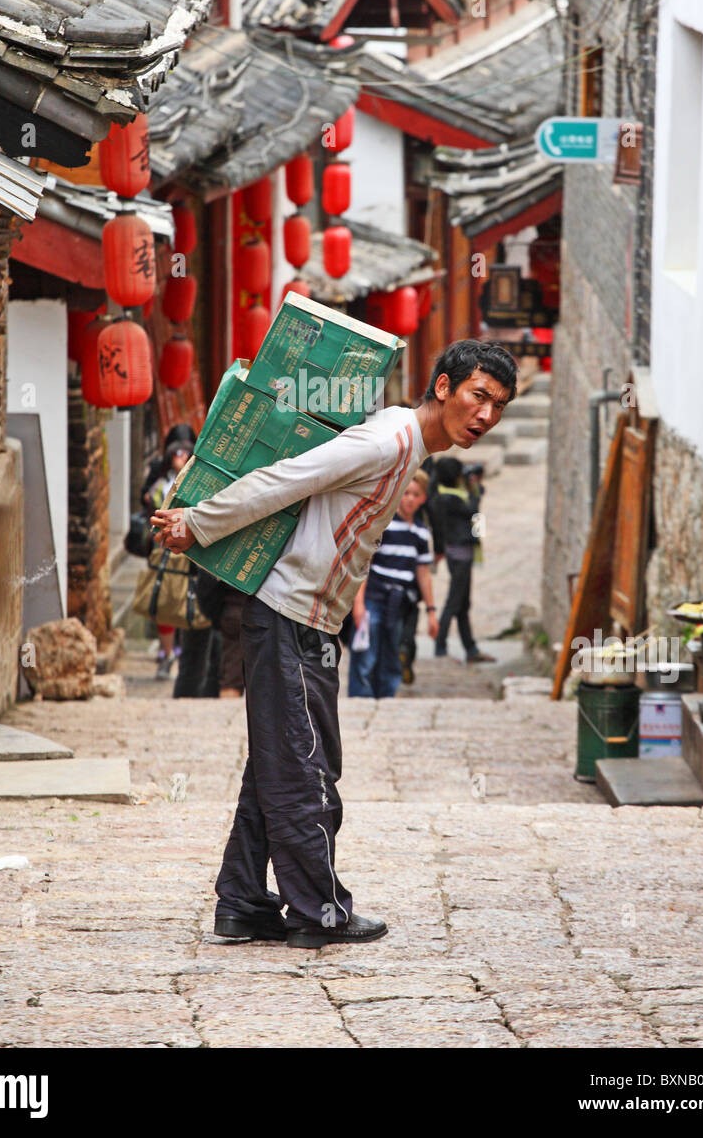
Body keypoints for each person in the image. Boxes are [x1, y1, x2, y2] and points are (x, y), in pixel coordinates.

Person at [152, 338, 516, 948]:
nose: (485, 415)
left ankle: (241, 902)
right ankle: (318, 911)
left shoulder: (410, 447)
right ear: (445, 387)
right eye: (479, 396)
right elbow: (288, 478)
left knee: (281, 760)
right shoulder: (387, 441)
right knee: (303, 767)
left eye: (499, 406)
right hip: (288, 613)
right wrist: (199, 523)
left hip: (314, 620)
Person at [349, 470, 437, 699]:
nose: (409, 498)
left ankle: (386, 697)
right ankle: (361, 698)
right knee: (366, 652)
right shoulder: (384, 526)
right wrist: (359, 604)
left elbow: (423, 573)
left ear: (422, 499)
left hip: (399, 604)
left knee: (392, 652)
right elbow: (365, 564)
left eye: (415, 494)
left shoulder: (421, 532)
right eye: (406, 493)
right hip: (374, 598)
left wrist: (431, 611)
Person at [429, 456, 494, 664]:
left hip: (459, 553)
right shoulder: (449, 498)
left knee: (463, 604)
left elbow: (476, 520)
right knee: (454, 602)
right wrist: (475, 489)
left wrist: (474, 489)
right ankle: (440, 646)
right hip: (460, 556)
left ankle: (471, 649)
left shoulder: (447, 495)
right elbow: (473, 511)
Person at [146, 439, 192, 679]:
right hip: (166, 553)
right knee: (166, 604)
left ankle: (184, 654)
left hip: (189, 555)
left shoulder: (195, 484)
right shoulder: (160, 486)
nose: (179, 459)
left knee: (187, 604)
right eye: (176, 454)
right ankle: (167, 651)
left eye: (184, 454)